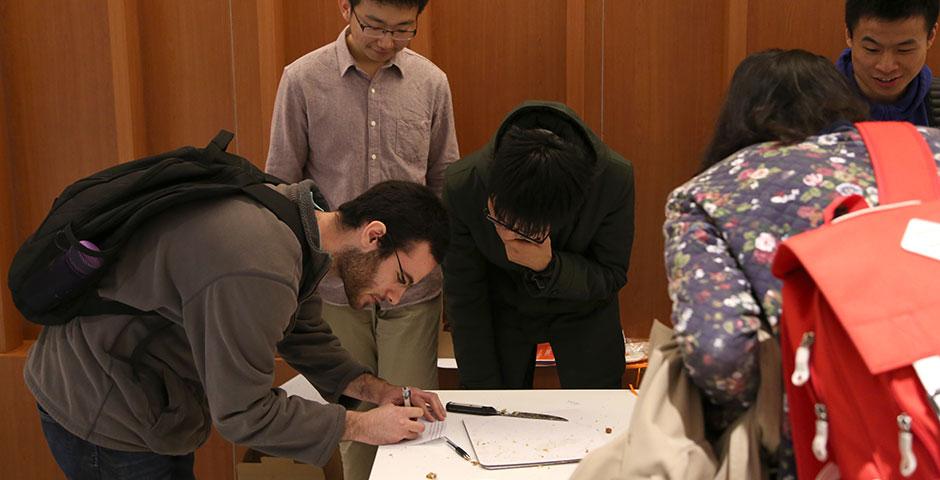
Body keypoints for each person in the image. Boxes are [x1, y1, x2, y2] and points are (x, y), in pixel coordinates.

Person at [24, 179, 449, 479]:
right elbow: (245, 414)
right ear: (375, 235)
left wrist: (377, 392)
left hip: (145, 396)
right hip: (102, 403)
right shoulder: (258, 264)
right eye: (402, 279)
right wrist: (360, 426)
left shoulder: (297, 226)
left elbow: (299, 331)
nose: (395, 298)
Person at [265, 0, 458, 477]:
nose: (386, 41)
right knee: (358, 421)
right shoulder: (302, 78)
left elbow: (443, 183)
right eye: (373, 25)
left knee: (413, 419)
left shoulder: (431, 82)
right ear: (345, 7)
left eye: (403, 29)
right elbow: (279, 188)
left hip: (410, 289)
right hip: (332, 286)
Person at [665, 49, 873, 478]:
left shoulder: (709, 193)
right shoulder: (924, 149)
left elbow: (718, 353)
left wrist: (762, 414)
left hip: (817, 445)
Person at [443, 101, 635, 390]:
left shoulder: (612, 179)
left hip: (586, 311)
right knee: (492, 420)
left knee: (597, 422)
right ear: (492, 198)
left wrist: (549, 267)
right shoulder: (465, 184)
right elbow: (465, 296)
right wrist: (481, 390)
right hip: (501, 311)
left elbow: (610, 275)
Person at [837, 0, 938, 124]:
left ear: (931, 36)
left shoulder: (935, 101)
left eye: (904, 50)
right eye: (872, 49)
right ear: (849, 35)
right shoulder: (813, 105)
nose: (886, 67)